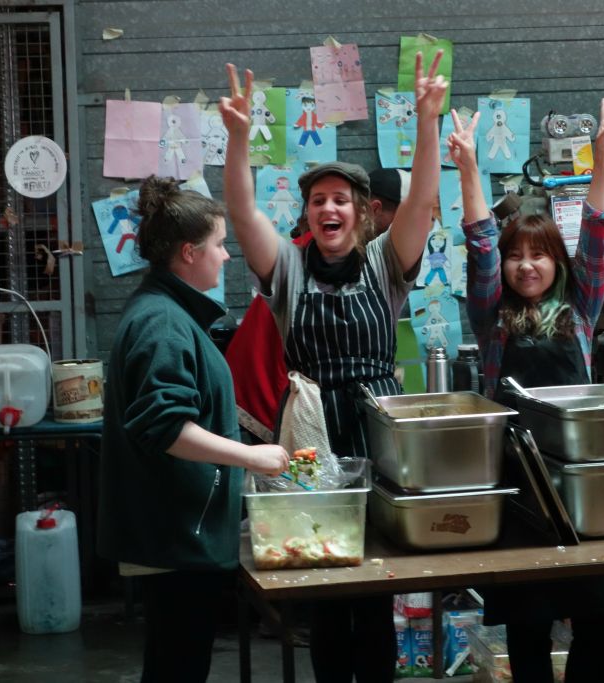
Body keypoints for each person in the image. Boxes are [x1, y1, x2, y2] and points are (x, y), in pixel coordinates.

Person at [221, 52, 447, 682]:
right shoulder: (287, 270)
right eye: (319, 199)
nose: (330, 209)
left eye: (341, 200)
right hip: (311, 439)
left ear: (363, 211)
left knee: (374, 590)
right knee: (323, 588)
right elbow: (242, 215)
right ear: (308, 213)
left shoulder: (384, 265)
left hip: (379, 435)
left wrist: (428, 122)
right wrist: (240, 141)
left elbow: (424, 201)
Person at [448, 98, 604, 682]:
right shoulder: (490, 316)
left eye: (540, 255)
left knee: (598, 616)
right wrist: (468, 166)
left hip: (583, 479)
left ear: (557, 263)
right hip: (519, 483)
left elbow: (597, 236)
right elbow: (479, 242)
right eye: (516, 257)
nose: (526, 266)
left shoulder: (581, 311)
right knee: (528, 623)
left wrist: (603, 161)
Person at [97, 176, 290, 683]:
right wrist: (254, 457)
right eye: (220, 245)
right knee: (177, 666)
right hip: (174, 535)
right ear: (188, 252)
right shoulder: (162, 323)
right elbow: (165, 428)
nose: (227, 257)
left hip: (181, 531)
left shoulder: (170, 313)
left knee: (176, 663)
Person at [224, 167, 412, 438]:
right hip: (265, 395)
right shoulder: (301, 263)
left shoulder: (369, 268)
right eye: (319, 200)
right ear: (373, 210)